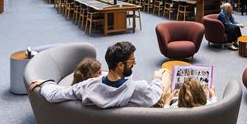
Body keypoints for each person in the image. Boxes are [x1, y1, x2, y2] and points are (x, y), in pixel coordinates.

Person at [29, 42, 171, 108]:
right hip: (153, 97)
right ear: (120, 65)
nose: (134, 63)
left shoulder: (87, 86)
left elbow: (55, 95)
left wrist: (45, 83)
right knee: (163, 72)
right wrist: (157, 78)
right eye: (132, 60)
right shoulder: (139, 88)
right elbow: (154, 95)